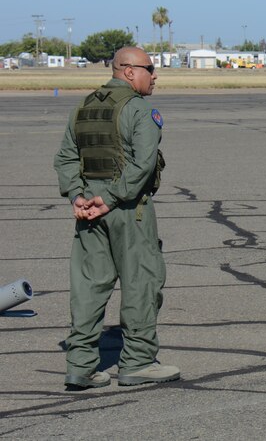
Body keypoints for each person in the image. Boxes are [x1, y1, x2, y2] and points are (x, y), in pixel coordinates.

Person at [54, 47, 179, 389]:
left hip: (89, 211)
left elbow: (66, 158)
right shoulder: (139, 110)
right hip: (127, 209)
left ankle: (80, 365)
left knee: (88, 286)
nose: (155, 76)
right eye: (150, 69)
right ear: (128, 71)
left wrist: (78, 197)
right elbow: (143, 164)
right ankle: (137, 362)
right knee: (142, 282)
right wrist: (108, 198)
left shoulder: (84, 106)